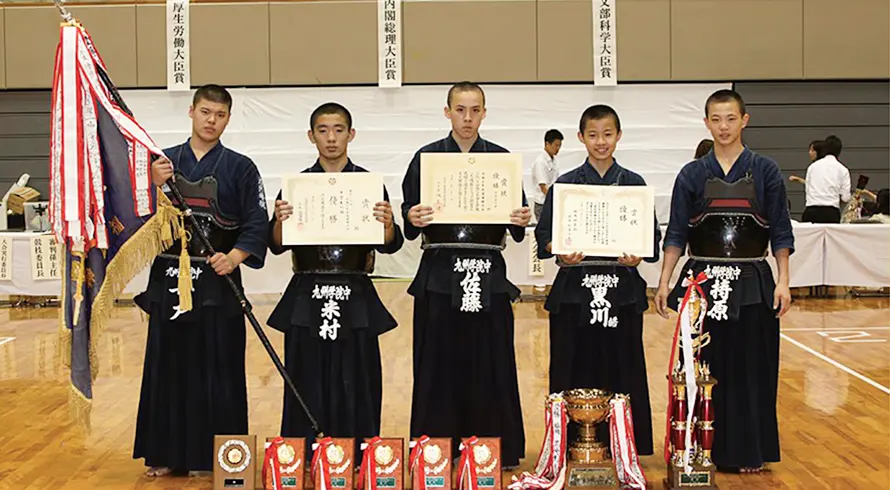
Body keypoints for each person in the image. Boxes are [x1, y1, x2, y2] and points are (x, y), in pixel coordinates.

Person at [654, 89, 793, 474]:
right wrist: (664, 282)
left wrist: (783, 282)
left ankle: (748, 449)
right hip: (701, 284)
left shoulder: (766, 171)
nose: (724, 127)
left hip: (752, 282)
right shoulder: (692, 174)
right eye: (716, 119)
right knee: (701, 369)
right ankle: (696, 447)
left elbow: (781, 233)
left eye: (731, 118)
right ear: (706, 123)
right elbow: (676, 235)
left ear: (744, 120)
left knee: (752, 368)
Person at [134, 84, 269, 476]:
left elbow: (256, 221)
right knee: (168, 366)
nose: (212, 121)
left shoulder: (241, 167)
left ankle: (219, 456)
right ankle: (165, 453)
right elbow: (136, 217)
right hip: (170, 279)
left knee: (220, 367)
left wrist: (236, 256)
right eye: (206, 112)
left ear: (228, 118)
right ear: (191, 112)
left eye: (220, 114)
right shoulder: (164, 164)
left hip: (217, 278)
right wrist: (151, 183)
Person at [401, 81, 531, 469]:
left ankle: (494, 448)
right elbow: (409, 214)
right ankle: (435, 447)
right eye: (460, 110)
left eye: (475, 110)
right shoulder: (426, 158)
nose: (468, 118)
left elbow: (519, 222)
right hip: (440, 275)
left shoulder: (501, 159)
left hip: (487, 274)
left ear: (484, 113)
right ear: (447, 111)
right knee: (436, 362)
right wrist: (411, 215)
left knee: (490, 361)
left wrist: (521, 217)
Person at [266, 102, 404, 461]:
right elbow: (276, 246)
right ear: (311, 136)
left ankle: (358, 453)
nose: (331, 138)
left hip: (355, 289)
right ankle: (300, 455)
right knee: (304, 375)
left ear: (351, 135)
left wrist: (388, 223)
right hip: (308, 290)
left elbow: (391, 244)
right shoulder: (296, 185)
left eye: (339, 129)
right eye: (323, 130)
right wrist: (280, 219)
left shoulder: (370, 184)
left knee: (358, 375)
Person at [535, 104, 660, 455]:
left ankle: (624, 444)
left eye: (607, 134)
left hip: (620, 291)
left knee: (624, 362)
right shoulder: (566, 184)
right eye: (593, 135)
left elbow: (652, 239)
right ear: (581, 138)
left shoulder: (633, 183)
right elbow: (544, 237)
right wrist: (558, 252)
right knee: (572, 362)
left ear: (619, 136)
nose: (600, 142)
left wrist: (639, 254)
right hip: (575, 290)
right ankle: (570, 443)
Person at [801, 135, 850, 223]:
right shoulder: (843, 170)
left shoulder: (812, 167)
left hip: (811, 210)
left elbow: (808, 189)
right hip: (831, 212)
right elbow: (845, 198)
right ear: (839, 151)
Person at [531, 129, 563, 221]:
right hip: (543, 203)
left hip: (551, 201)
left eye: (560, 146)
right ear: (547, 144)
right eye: (556, 145)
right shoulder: (540, 162)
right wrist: (554, 200)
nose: (558, 149)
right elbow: (543, 186)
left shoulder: (554, 160)